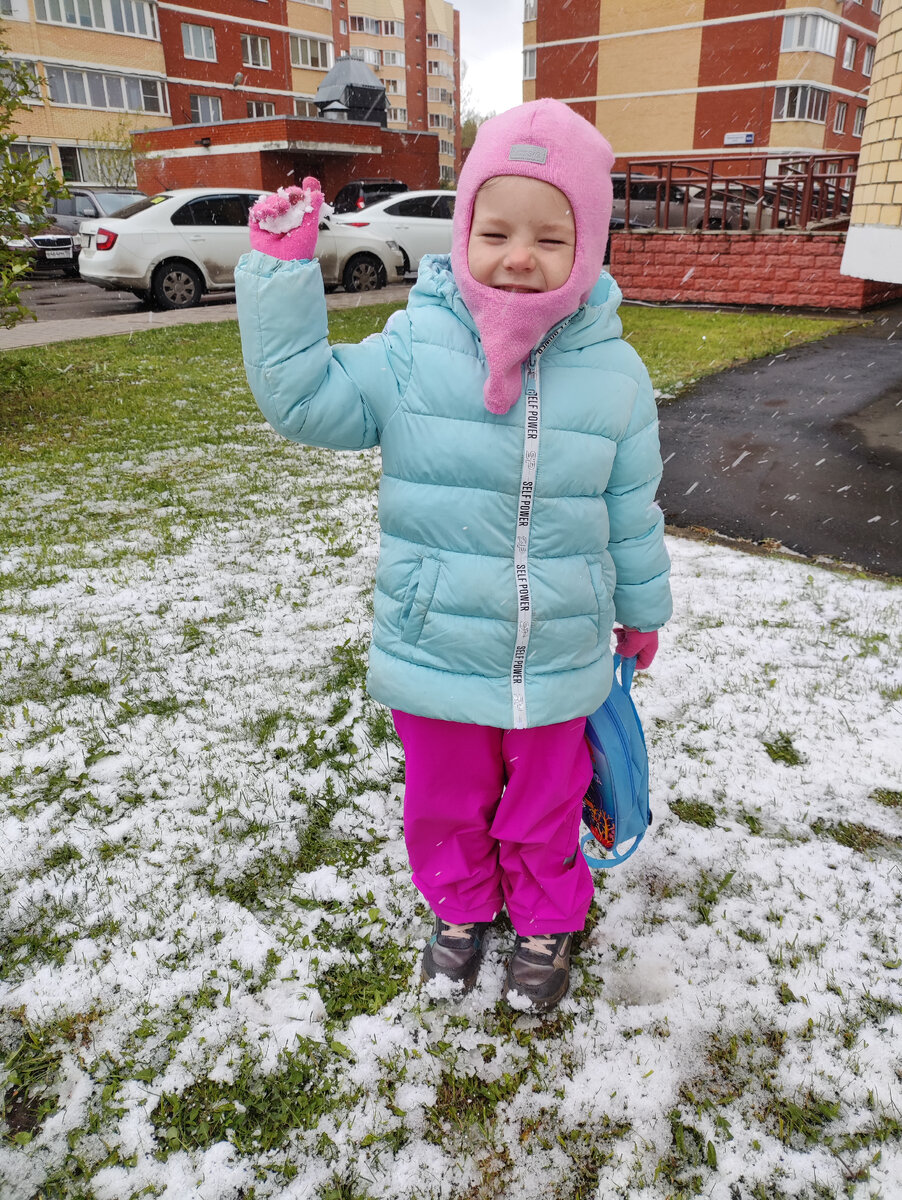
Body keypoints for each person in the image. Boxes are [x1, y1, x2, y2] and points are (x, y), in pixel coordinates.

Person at [235, 99, 672, 1012]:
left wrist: (641, 611)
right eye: (498, 229)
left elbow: (631, 508)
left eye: (553, 238)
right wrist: (281, 278)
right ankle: (462, 912)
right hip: (434, 646)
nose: (521, 255)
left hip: (557, 655)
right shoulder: (413, 350)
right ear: (463, 227)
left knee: (546, 807)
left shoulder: (616, 374)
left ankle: (547, 924)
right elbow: (307, 401)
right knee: (444, 805)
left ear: (590, 249)